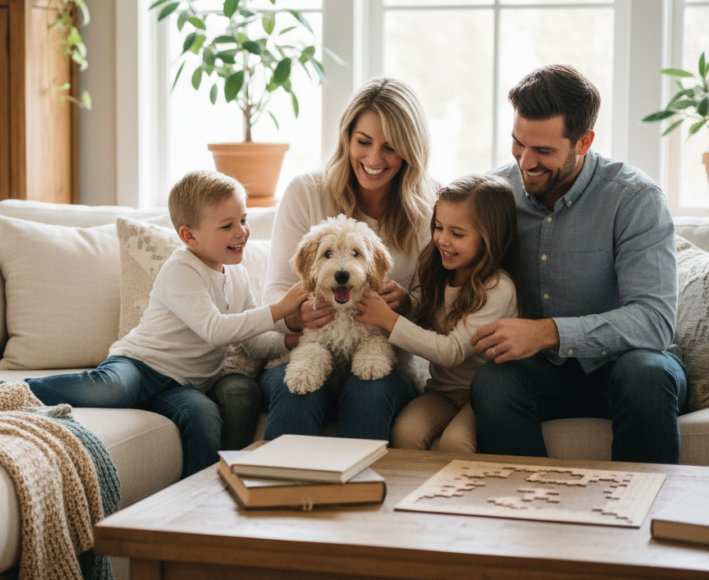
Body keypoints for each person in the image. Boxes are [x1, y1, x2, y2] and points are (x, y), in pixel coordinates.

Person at [0, 170, 308, 477]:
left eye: (243, 220)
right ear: (189, 236)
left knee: (202, 417)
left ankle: (202, 505)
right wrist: (278, 310)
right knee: (112, 389)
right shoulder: (181, 269)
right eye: (228, 225)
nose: (242, 232)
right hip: (140, 365)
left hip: (185, 384)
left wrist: (288, 341)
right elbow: (215, 329)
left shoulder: (238, 275)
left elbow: (251, 340)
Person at [468, 64, 688, 464]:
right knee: (493, 382)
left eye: (544, 151)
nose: (525, 163)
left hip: (629, 366)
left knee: (644, 374)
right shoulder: (496, 193)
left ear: (583, 142)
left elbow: (654, 322)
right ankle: (524, 510)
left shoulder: (634, 198)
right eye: (519, 144)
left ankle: (642, 515)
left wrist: (547, 332)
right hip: (545, 374)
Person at [255, 77, 437, 441]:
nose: (373, 159)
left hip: (380, 356)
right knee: (298, 392)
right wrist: (295, 316)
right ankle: (278, 493)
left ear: (410, 150)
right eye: (363, 142)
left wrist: (406, 303)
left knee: (369, 393)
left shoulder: (429, 208)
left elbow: (435, 310)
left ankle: (358, 497)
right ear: (347, 139)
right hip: (311, 347)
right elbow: (273, 294)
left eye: (390, 147)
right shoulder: (306, 192)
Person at [354, 174, 523, 452]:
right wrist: (407, 302)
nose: (442, 240)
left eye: (457, 234)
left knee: (456, 444)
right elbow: (428, 308)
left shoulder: (499, 288)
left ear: (490, 237)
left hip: (481, 394)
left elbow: (452, 350)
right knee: (404, 433)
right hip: (441, 391)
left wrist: (389, 319)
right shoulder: (440, 269)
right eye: (438, 227)